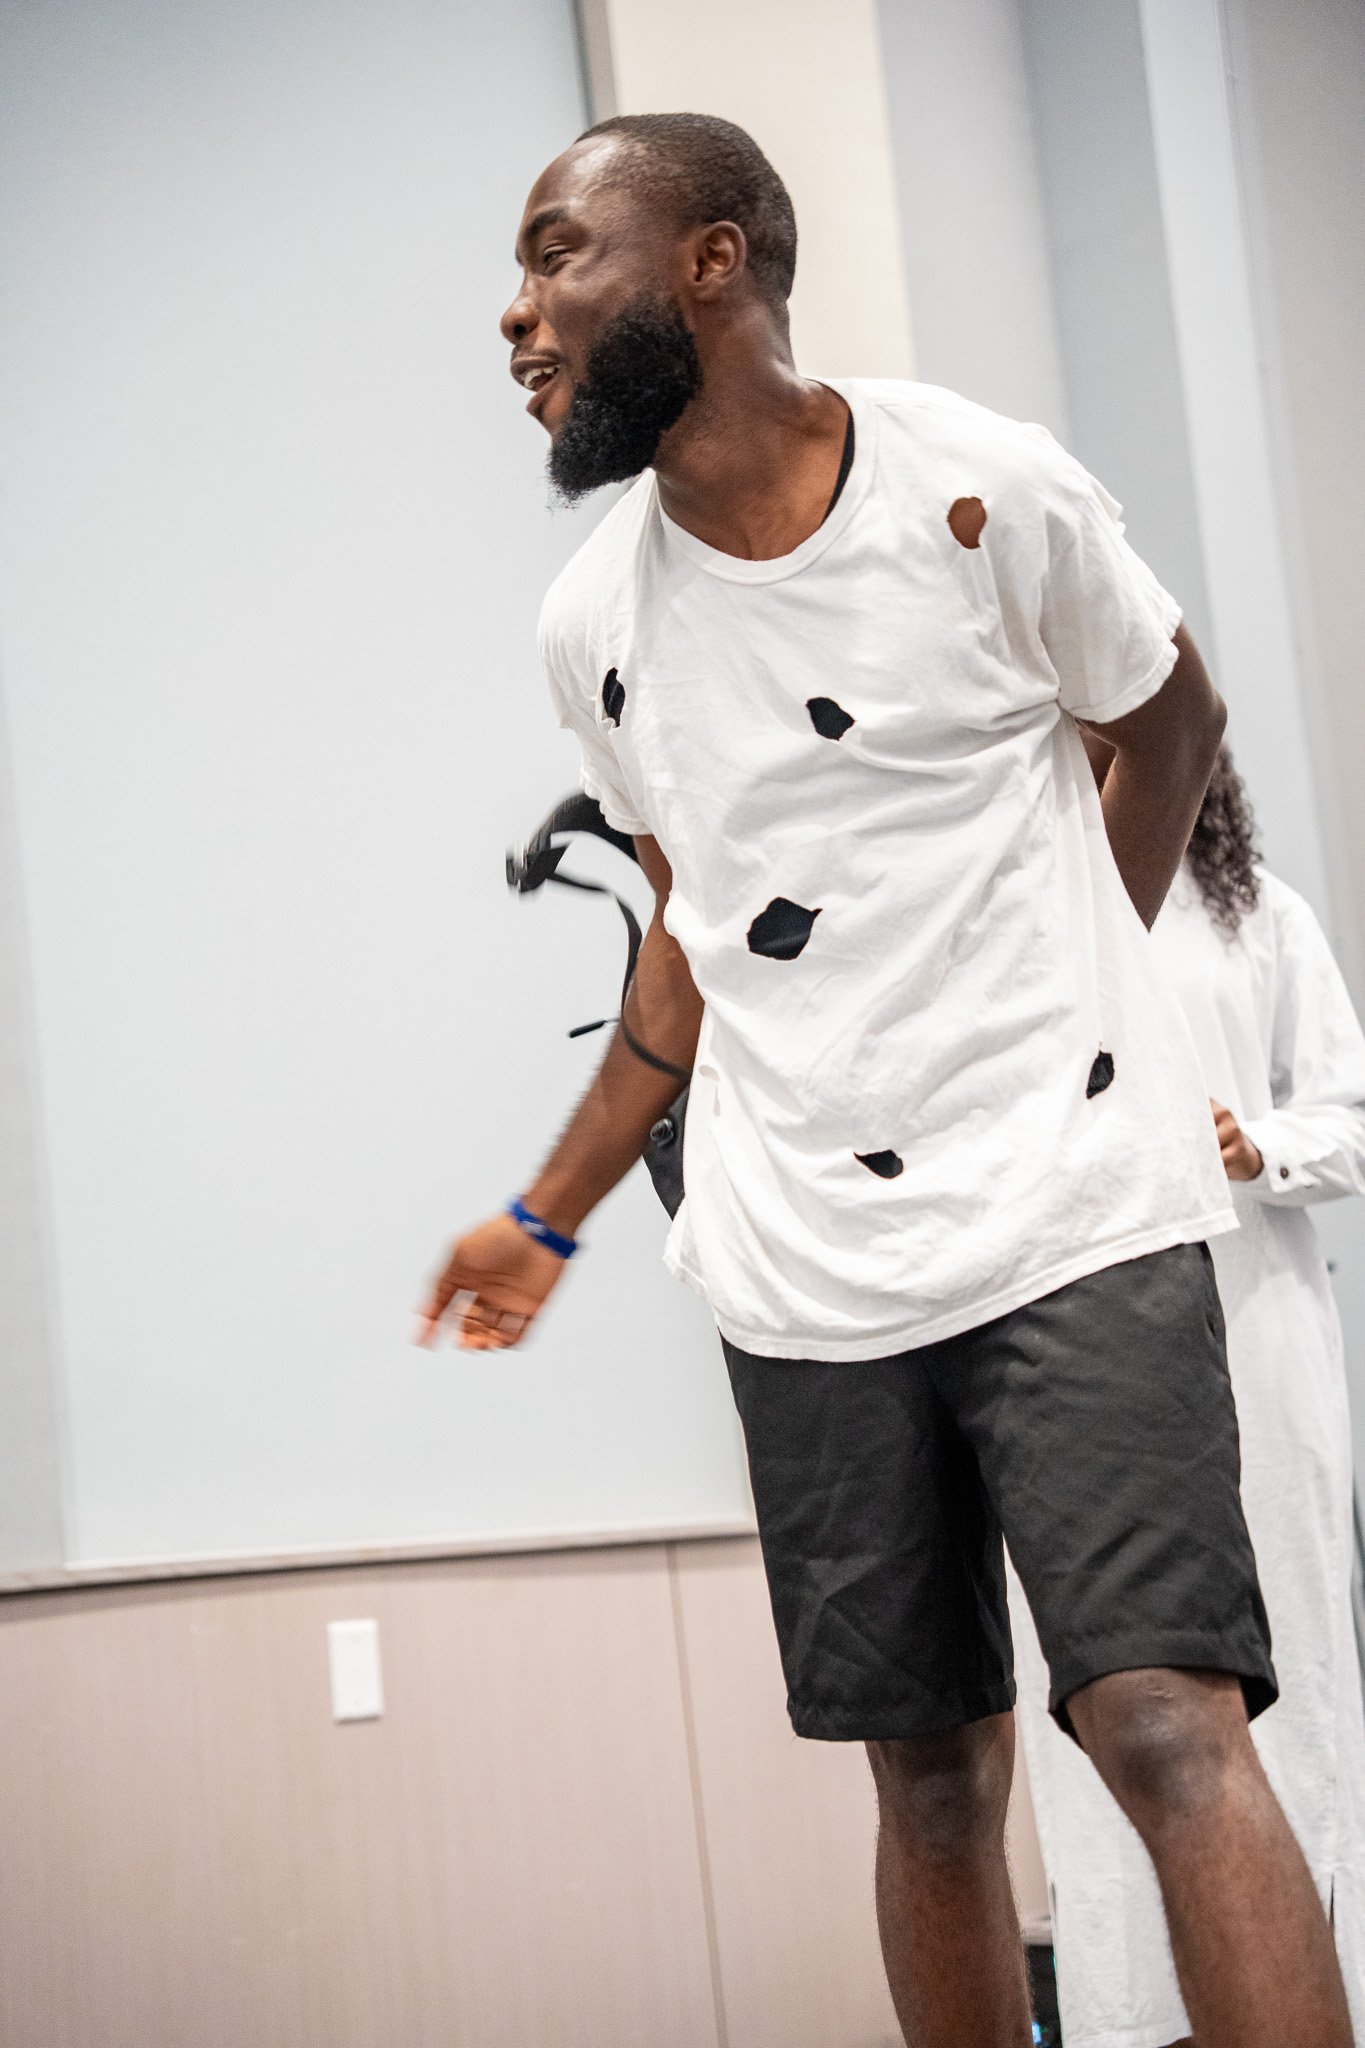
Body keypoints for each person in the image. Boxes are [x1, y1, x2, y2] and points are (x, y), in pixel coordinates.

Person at [418, 112, 1353, 2045]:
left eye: (554, 253)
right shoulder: (594, 626)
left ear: (713, 260)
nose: (515, 314)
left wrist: (1068, 996)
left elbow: (1171, 720)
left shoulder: (979, 489)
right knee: (927, 1779)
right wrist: (545, 1215)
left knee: (1162, 1724)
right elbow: (686, 937)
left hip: (1075, 1214)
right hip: (805, 1271)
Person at [1012, 744, 1365, 2048]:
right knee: (1107, 1689)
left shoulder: (1256, 913)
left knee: (1295, 1676)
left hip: (1259, 1344)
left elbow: (1351, 1114)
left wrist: (1254, 1143)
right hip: (1070, 1356)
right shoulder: (1019, 915)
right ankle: (1129, 2020)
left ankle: (1312, 1997)